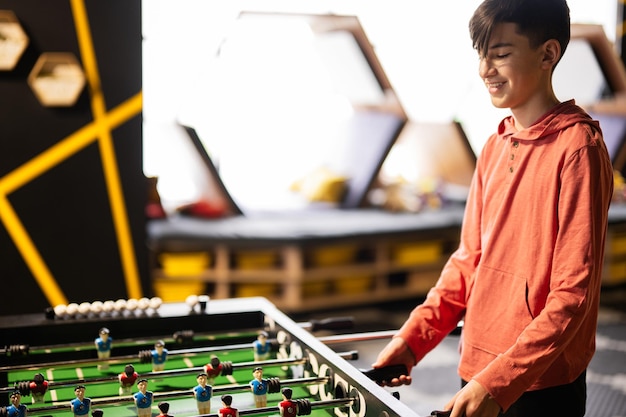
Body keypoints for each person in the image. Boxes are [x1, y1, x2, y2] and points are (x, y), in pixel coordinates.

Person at [371, 1, 614, 417]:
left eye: (500, 54)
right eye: (481, 54)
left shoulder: (579, 149)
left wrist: (498, 383)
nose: (485, 69)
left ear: (548, 54)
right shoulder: (494, 146)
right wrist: (413, 339)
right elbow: (468, 262)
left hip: (539, 381)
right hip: (479, 365)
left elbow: (572, 295)